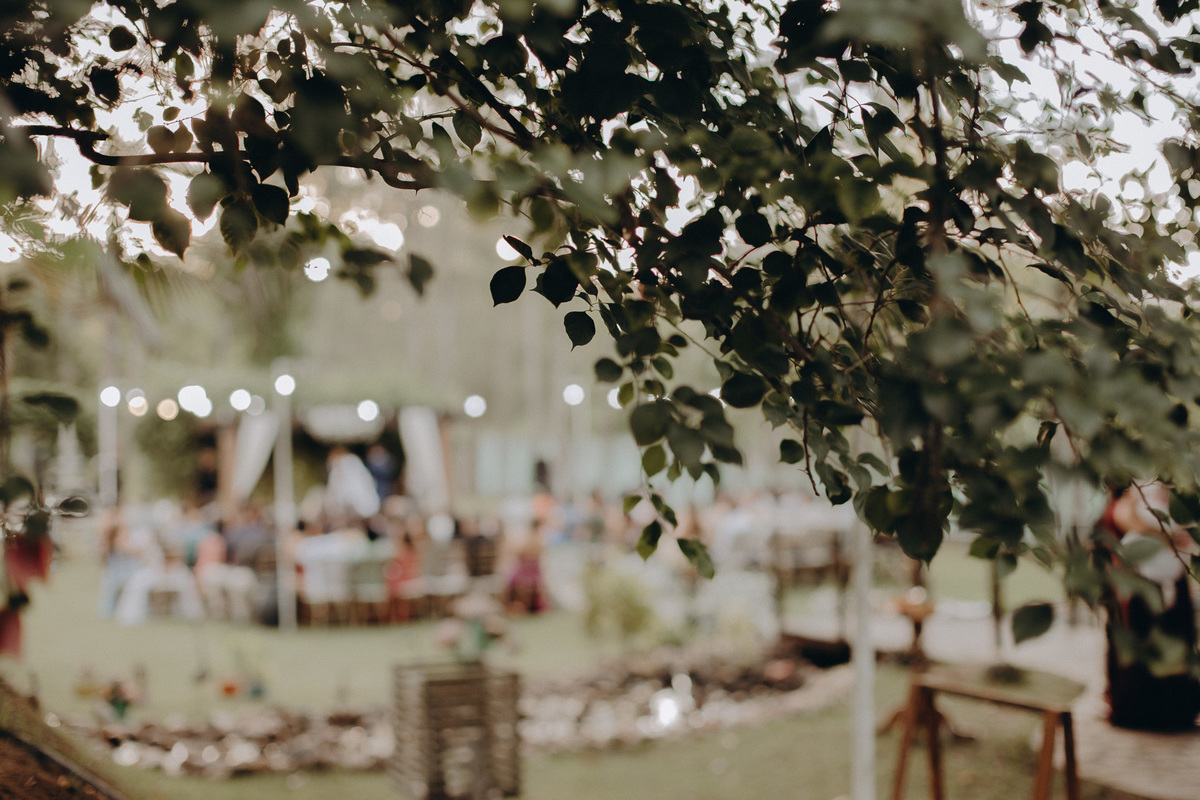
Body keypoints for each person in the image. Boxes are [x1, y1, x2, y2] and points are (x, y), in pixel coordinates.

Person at [1094, 482, 1200, 730]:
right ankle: (1139, 708)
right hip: (1139, 580)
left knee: (1175, 637)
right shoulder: (1132, 491)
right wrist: (1165, 538)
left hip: (1172, 577)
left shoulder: (1175, 490)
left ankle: (1173, 708)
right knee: (1139, 638)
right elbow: (1124, 518)